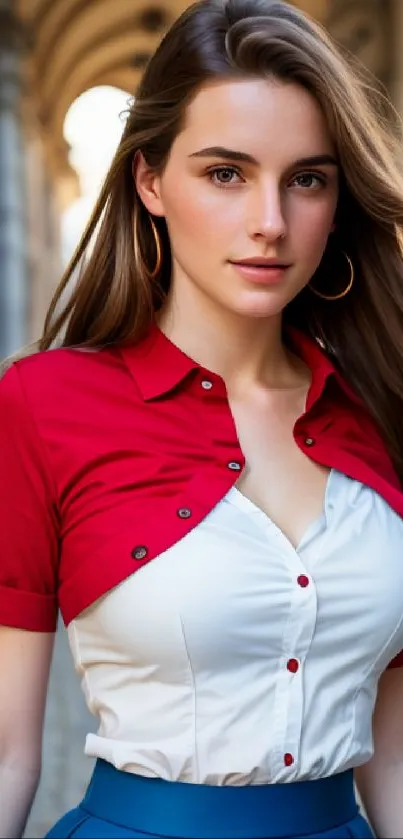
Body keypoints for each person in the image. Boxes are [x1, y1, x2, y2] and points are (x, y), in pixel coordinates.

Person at [1, 0, 403, 836]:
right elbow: (7, 752)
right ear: (149, 180)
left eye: (306, 179)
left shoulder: (383, 407)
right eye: (226, 173)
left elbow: (393, 757)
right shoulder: (41, 407)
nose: (269, 222)